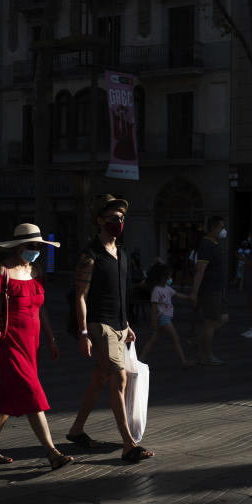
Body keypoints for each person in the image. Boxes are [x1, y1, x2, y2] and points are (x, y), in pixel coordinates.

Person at [0, 223, 73, 471]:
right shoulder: (2, 271)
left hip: (32, 344)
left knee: (8, 396)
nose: (35, 250)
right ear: (17, 246)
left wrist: (51, 338)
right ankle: (52, 452)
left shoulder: (36, 271)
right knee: (31, 392)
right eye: (31, 246)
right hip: (8, 342)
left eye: (39, 246)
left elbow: (41, 309)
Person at [67, 195, 153, 463]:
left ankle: (76, 429)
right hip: (98, 325)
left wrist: (126, 324)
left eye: (122, 218)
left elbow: (120, 293)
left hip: (118, 326)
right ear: (100, 221)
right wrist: (83, 333)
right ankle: (129, 445)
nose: (119, 222)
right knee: (119, 378)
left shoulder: (122, 253)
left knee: (99, 379)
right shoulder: (90, 255)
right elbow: (79, 295)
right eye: (114, 218)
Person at [190, 216, 229, 365]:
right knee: (211, 322)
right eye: (221, 227)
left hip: (218, 289)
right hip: (210, 290)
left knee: (223, 318)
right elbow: (200, 270)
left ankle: (198, 341)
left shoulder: (215, 244)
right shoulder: (206, 245)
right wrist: (194, 292)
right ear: (213, 228)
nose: (223, 231)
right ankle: (206, 355)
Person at [139, 263, 194, 368]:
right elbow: (154, 307)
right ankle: (184, 362)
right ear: (164, 277)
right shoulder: (157, 290)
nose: (170, 278)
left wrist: (188, 297)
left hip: (165, 318)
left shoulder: (167, 289)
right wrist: (153, 321)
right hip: (163, 318)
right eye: (169, 276)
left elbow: (177, 295)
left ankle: (141, 359)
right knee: (175, 339)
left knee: (153, 340)